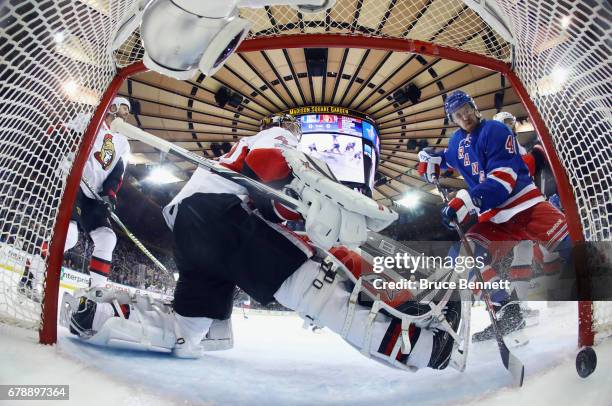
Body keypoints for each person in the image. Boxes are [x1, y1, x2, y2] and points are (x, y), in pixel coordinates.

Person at [65, 113, 467, 374]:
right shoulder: (277, 138)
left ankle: (101, 317)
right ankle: (430, 349)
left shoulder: (231, 158)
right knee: (321, 292)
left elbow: (272, 201)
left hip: (188, 231)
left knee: (189, 331)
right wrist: (307, 201)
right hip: (223, 220)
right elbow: (271, 165)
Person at [418, 91, 570, 340]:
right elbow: (448, 159)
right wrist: (430, 159)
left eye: (466, 109)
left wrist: (468, 200)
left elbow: (504, 178)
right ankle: (508, 310)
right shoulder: (457, 141)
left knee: (576, 246)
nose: (464, 116)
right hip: (496, 220)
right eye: (458, 114)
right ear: (453, 119)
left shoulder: (496, 131)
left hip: (525, 206)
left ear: (474, 107)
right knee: (462, 256)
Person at [63, 97, 132, 287]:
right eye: (123, 108)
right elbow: (62, 134)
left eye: (127, 111)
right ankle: (31, 277)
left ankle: (94, 294)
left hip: (93, 194)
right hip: (73, 181)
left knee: (107, 238)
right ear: (112, 107)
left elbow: (116, 174)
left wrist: (109, 196)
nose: (126, 114)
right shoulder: (89, 120)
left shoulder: (123, 143)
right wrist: (68, 153)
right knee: (68, 236)